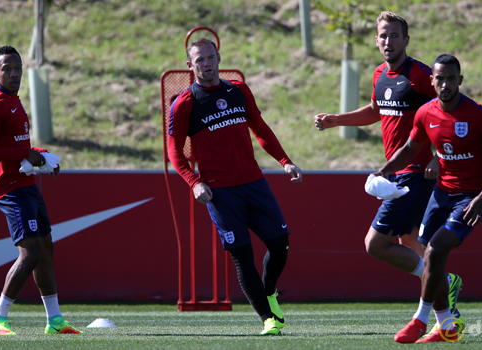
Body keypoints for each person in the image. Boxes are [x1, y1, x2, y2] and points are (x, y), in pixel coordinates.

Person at [313, 11, 463, 335]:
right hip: (396, 173)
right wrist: (336, 119)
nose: (388, 41)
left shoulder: (423, 76)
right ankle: (447, 318)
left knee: (375, 244)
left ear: (406, 40)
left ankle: (442, 281)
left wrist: (439, 158)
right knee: (409, 240)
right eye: (383, 35)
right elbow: (374, 111)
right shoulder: (380, 73)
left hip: (415, 174)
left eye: (394, 35)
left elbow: (448, 113)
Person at [373, 54, 482, 343]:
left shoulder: (478, 115)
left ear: (460, 81)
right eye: (440, 78)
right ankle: (448, 324)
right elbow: (411, 147)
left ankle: (419, 320)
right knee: (429, 258)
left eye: (451, 78)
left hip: (469, 199)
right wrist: (386, 169)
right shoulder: (425, 112)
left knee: (436, 250)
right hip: (441, 194)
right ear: (432, 81)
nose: (445, 84)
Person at [167, 38, 303, 335]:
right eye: (199, 60)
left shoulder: (238, 90)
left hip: (254, 183)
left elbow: (260, 128)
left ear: (219, 58)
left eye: (210, 57)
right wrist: (194, 182)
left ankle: (269, 293)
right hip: (220, 192)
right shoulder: (185, 103)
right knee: (242, 256)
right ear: (190, 66)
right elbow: (174, 151)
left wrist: (284, 161)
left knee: (280, 245)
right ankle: (268, 318)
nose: (206, 64)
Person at [0, 46, 82, 335]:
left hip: (26, 183)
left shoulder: (13, 100)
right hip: (9, 188)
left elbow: (16, 144)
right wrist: (26, 151)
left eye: (17, 68)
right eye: (7, 68)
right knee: (30, 252)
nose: (13, 73)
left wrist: (39, 154)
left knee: (45, 249)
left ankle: (55, 320)